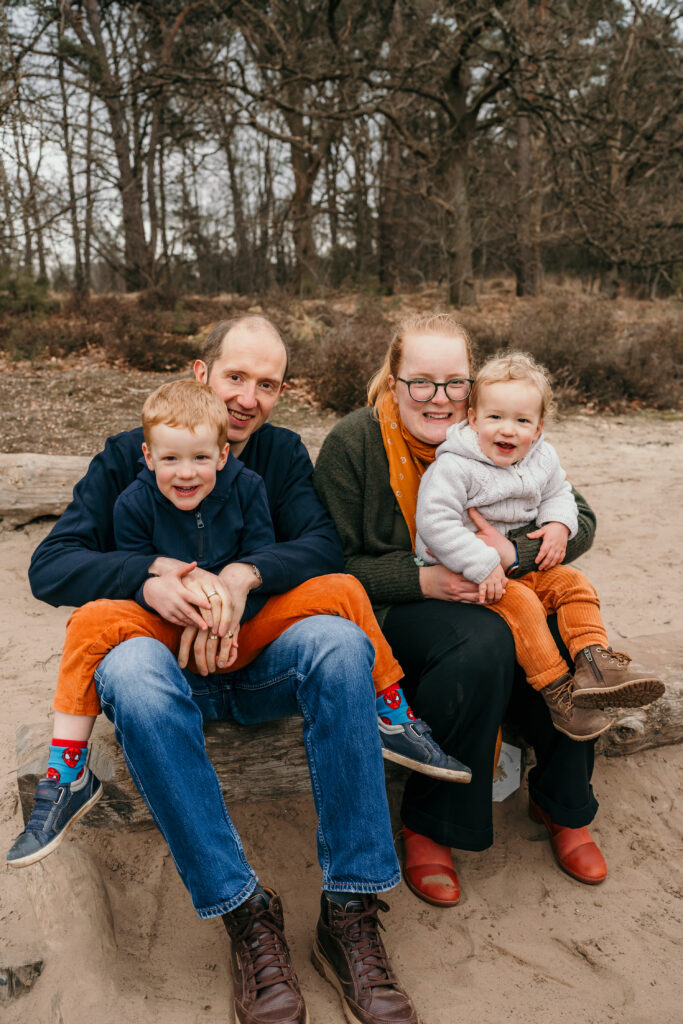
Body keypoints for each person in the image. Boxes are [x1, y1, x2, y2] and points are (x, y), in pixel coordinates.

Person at [24, 316, 420, 1024]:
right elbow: (50, 566)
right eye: (237, 377)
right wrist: (146, 575)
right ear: (202, 375)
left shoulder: (281, 456)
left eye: (267, 384)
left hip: (262, 661)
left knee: (338, 643)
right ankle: (246, 915)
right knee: (130, 671)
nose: (249, 397)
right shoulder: (130, 456)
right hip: (165, 666)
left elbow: (322, 547)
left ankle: (350, 912)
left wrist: (242, 576)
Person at [313, 312, 614, 909]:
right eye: (420, 381)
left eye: (455, 383)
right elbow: (332, 566)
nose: (438, 398)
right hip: (399, 606)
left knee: (568, 635)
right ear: (393, 380)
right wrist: (423, 578)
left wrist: (517, 549)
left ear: (472, 390)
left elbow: (578, 519)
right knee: (480, 644)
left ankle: (564, 804)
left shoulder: (504, 434)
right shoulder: (353, 444)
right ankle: (432, 824)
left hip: (503, 582)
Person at [415, 351, 664, 742]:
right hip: (468, 571)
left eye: (522, 420)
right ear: (473, 418)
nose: (508, 431)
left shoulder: (541, 456)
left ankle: (596, 664)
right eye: (495, 417)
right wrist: (482, 562)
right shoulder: (454, 467)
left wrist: (558, 525)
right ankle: (560, 695)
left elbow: (559, 492)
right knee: (526, 608)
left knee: (574, 583)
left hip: (522, 567)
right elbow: (434, 524)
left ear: (539, 426)